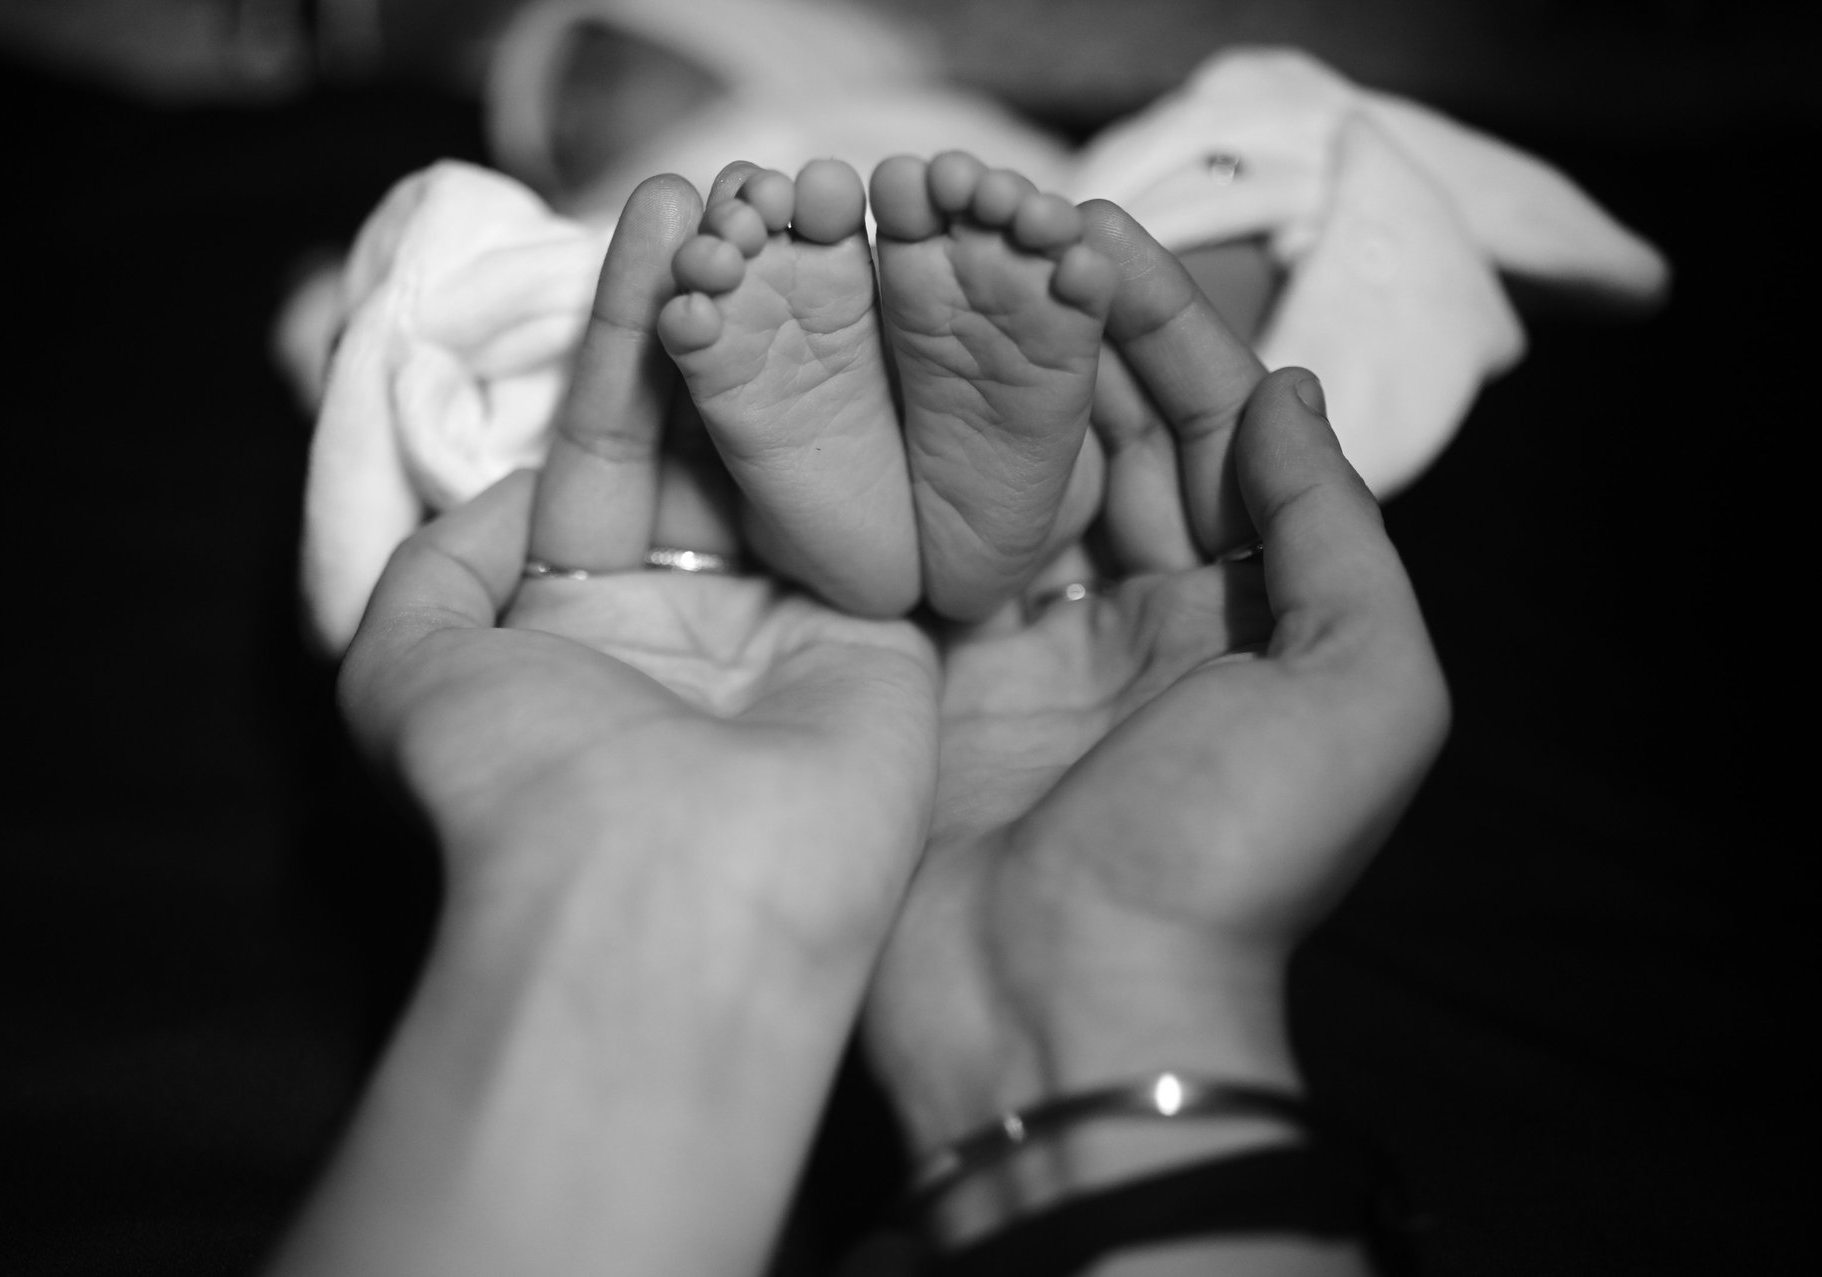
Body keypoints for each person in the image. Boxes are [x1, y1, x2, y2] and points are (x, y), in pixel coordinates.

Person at [264, 167, 1449, 1277]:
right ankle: (1014, 490)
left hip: (723, 501)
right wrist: (1110, 985)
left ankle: (892, 498)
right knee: (1188, 242)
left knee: (484, 301)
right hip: (1024, 446)